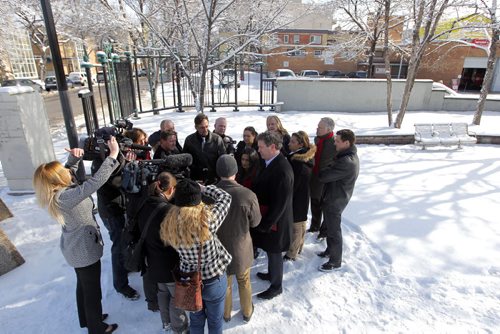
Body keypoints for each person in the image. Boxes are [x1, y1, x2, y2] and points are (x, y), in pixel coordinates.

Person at [33, 138, 120, 334]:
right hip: (83, 250)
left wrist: (73, 159)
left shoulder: (57, 192)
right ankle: (97, 328)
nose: (66, 172)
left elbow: (68, 171)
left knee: (83, 286)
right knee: (92, 291)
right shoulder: (65, 197)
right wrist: (113, 156)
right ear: (57, 179)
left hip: (75, 247)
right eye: (62, 172)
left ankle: (88, 319)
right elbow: (95, 182)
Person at [160, 179, 232, 334]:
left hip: (188, 281)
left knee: (196, 320)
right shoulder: (207, 220)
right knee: (215, 321)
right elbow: (226, 198)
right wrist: (204, 189)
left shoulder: (170, 223)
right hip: (214, 279)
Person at [136, 172, 188, 333]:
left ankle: (165, 322)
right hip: (169, 264)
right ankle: (179, 327)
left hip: (152, 261)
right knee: (176, 297)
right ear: (171, 189)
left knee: (162, 292)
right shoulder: (170, 211)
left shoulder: (145, 203)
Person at [215, 155, 261, 323]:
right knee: (244, 281)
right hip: (241, 248)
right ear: (235, 171)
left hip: (218, 250)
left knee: (224, 285)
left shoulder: (210, 194)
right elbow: (256, 222)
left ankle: (225, 315)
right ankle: (247, 312)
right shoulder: (247, 194)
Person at [92, 150, 140, 301]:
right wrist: (129, 165)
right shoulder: (102, 163)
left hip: (116, 208)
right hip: (112, 211)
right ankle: (121, 285)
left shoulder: (107, 160)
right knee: (119, 246)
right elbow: (120, 182)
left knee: (124, 243)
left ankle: (126, 266)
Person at [251, 131, 293, 300]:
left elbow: (280, 204)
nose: (258, 150)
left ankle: (276, 286)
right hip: (269, 218)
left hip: (276, 222)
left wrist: (266, 224)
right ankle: (271, 274)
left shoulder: (282, 170)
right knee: (269, 250)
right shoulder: (269, 162)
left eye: (261, 147)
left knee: (275, 253)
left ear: (273, 147)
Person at [317, 129, 359, 272]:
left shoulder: (347, 161)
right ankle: (329, 250)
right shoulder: (344, 155)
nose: (334, 143)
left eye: (337, 141)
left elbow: (324, 176)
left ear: (347, 143)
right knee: (329, 226)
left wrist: (325, 169)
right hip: (333, 196)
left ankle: (335, 261)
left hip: (336, 200)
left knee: (334, 231)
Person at [284, 131, 315, 261]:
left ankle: (292, 253)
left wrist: (288, 196)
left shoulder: (298, 162)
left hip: (297, 197)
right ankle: (299, 247)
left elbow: (294, 183)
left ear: (301, 144)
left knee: (296, 225)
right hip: (302, 196)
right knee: (301, 223)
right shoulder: (303, 156)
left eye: (293, 142)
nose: (289, 143)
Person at [309, 118, 336, 239]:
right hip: (315, 175)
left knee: (325, 205)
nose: (317, 129)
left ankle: (324, 231)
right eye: (317, 126)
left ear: (328, 129)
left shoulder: (334, 142)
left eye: (320, 127)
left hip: (327, 179)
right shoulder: (317, 139)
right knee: (314, 201)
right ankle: (315, 226)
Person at [183, 114, 226, 185]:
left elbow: (223, 160)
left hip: (214, 179)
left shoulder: (217, 139)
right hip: (196, 179)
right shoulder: (189, 140)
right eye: (202, 128)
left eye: (206, 126)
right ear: (196, 127)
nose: (205, 130)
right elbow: (186, 161)